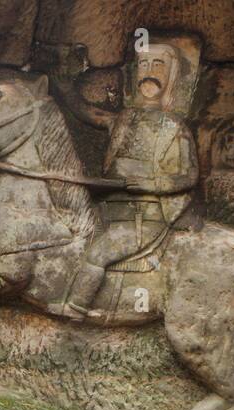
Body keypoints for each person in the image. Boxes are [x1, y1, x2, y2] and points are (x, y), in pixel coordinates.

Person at [61, 43, 199, 317]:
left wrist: (151, 183)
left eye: (158, 65)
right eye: (144, 65)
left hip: (145, 216)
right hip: (108, 209)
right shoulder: (122, 119)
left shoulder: (175, 128)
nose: (149, 72)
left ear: (171, 75)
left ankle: (75, 309)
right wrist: (62, 86)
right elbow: (86, 112)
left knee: (98, 255)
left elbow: (189, 176)